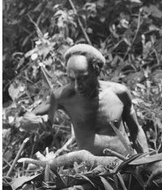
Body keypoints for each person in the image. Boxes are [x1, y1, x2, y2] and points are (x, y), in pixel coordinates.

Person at [20, 44, 148, 156]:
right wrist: (35, 121)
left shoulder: (119, 93)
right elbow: (25, 121)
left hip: (124, 163)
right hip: (91, 171)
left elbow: (135, 130)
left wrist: (146, 159)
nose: (76, 86)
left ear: (96, 71)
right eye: (71, 79)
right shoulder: (62, 96)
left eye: (82, 79)